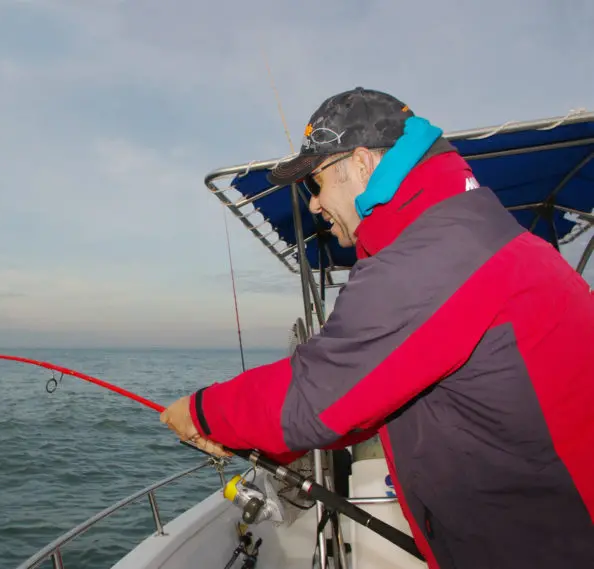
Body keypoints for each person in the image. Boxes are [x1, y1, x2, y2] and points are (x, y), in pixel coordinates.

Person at [160, 87, 594, 569]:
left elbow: (315, 397)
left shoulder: (433, 250)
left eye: (317, 183)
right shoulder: (462, 227)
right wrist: (251, 435)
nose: (317, 204)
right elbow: (365, 402)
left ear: (363, 165)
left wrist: (200, 411)